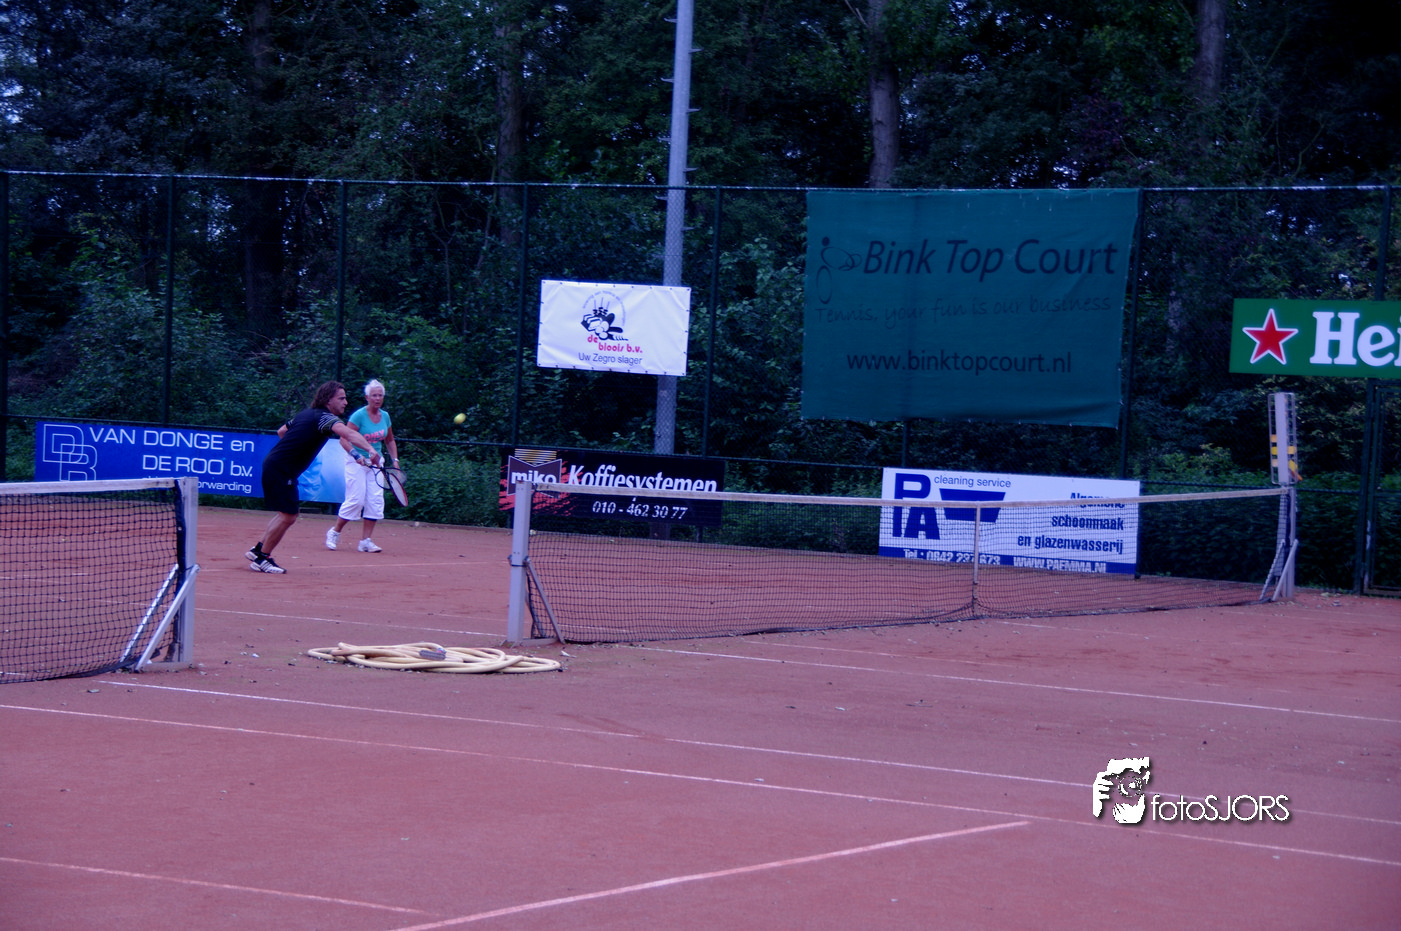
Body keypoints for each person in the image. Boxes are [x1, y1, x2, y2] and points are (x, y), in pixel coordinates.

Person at [246, 381, 379, 573]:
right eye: (341, 398)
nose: (345, 402)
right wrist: (370, 449)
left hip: (277, 465)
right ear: (328, 400)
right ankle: (262, 559)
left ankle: (258, 550)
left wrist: (296, 448)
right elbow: (348, 433)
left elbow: (282, 431)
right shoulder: (326, 418)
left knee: (285, 513)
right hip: (282, 468)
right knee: (289, 515)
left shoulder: (306, 414)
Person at [326, 378, 399, 553]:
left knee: (375, 501)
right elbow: (344, 439)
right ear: (367, 397)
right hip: (356, 462)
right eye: (374, 395)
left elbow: (389, 440)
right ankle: (335, 532)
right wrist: (357, 455)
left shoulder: (385, 416)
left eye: (380, 395)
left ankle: (365, 541)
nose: (377, 398)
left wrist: (395, 461)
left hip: (376, 463)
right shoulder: (358, 416)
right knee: (356, 500)